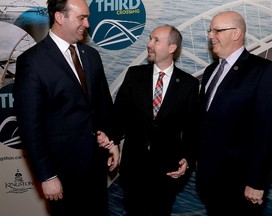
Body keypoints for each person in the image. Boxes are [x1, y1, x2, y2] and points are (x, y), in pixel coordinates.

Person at [13, 0, 120, 215]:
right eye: (82, 18)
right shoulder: (32, 62)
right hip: (62, 173)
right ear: (60, 18)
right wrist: (47, 176)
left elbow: (102, 107)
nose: (88, 24)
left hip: (95, 169)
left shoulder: (91, 56)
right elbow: (30, 127)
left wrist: (112, 140)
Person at [196, 11, 272, 216]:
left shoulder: (264, 71)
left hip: (240, 184)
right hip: (209, 181)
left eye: (217, 30)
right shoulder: (210, 71)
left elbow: (268, 130)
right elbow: (205, 120)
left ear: (236, 33)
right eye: (210, 30)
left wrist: (257, 181)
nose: (210, 35)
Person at [112, 24, 199, 216]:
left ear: (172, 48)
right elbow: (118, 116)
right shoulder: (134, 75)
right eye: (150, 39)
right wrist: (113, 142)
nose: (149, 44)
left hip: (166, 173)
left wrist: (187, 157)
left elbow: (192, 128)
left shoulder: (189, 84)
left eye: (156, 40)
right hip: (133, 170)